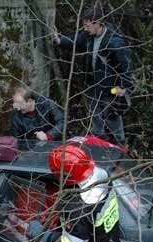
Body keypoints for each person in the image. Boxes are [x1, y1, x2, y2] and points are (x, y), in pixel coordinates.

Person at [54, 6, 133, 145]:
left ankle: (121, 146)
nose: (85, 28)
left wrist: (124, 87)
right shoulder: (88, 37)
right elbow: (75, 41)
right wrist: (59, 40)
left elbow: (125, 66)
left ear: (97, 23)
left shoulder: (114, 42)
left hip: (110, 89)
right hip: (92, 86)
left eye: (87, 25)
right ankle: (99, 144)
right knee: (95, 117)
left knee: (112, 118)